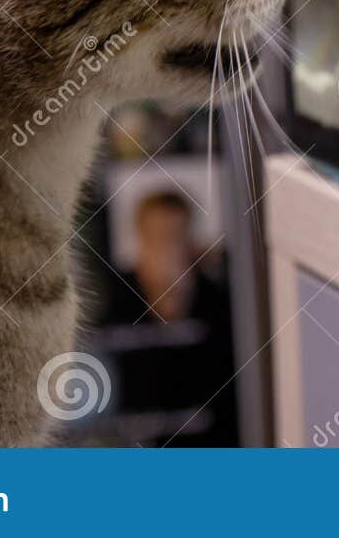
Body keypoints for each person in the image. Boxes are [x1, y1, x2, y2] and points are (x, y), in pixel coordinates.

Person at [98, 190, 238, 445]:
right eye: (155, 238)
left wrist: (177, 298)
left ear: (189, 242)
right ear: (140, 240)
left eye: (173, 238)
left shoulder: (215, 300)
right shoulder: (115, 297)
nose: (164, 249)